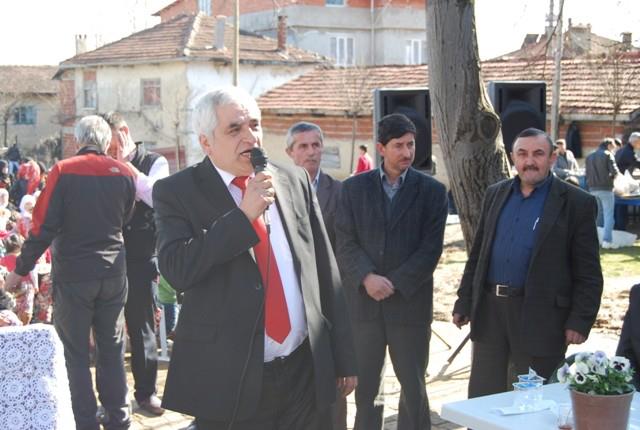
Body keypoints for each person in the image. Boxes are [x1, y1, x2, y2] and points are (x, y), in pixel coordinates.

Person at [153, 86, 357, 429]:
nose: (250, 137)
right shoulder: (177, 191)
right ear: (206, 142)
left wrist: (343, 356)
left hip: (304, 368)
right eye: (235, 129)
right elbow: (177, 270)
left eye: (255, 125)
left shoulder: (292, 179)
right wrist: (242, 217)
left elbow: (324, 268)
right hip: (231, 378)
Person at [4, 115, 136, 430]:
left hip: (75, 274)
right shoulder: (124, 172)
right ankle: (119, 418)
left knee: (75, 353)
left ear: (78, 140)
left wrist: (19, 270)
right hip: (113, 272)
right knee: (112, 348)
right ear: (107, 142)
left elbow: (43, 226)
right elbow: (126, 218)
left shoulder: (63, 171)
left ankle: (84, 420)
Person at [452, 127, 603, 399]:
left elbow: (588, 272)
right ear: (513, 157)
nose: (529, 161)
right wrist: (464, 301)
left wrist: (580, 320)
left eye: (538, 154)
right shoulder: (495, 194)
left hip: (542, 317)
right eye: (522, 154)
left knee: (534, 400)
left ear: (552, 158)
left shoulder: (577, 203)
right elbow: (479, 255)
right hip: (491, 312)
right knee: (483, 396)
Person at [336, 113, 448, 430]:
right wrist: (367, 278)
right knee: (367, 392)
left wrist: (393, 283)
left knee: (414, 389)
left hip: (410, 307)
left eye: (411, 145)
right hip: (364, 307)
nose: (407, 152)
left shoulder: (433, 192)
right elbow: (344, 241)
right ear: (381, 148)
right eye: (399, 145)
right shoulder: (353, 189)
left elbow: (430, 250)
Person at [102, 111, 170, 416]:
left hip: (141, 258)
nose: (109, 152)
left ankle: (146, 392)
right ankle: (112, 398)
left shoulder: (154, 161)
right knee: (108, 330)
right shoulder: (100, 163)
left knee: (142, 329)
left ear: (125, 132)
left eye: (113, 144)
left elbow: (158, 197)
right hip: (107, 257)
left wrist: (126, 168)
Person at [284, 121, 345, 429]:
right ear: (290, 152)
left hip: (329, 304)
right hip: (291, 305)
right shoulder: (277, 193)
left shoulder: (340, 191)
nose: (311, 152)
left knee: (335, 391)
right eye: (303, 146)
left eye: (316, 145)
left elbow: (346, 246)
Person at [585, 137, 621, 248]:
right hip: (606, 188)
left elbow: (586, 173)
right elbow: (615, 172)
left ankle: (596, 240)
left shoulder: (590, 156)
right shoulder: (608, 155)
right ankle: (607, 240)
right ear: (609, 145)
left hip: (592, 188)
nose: (613, 149)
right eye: (613, 147)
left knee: (598, 215)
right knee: (608, 215)